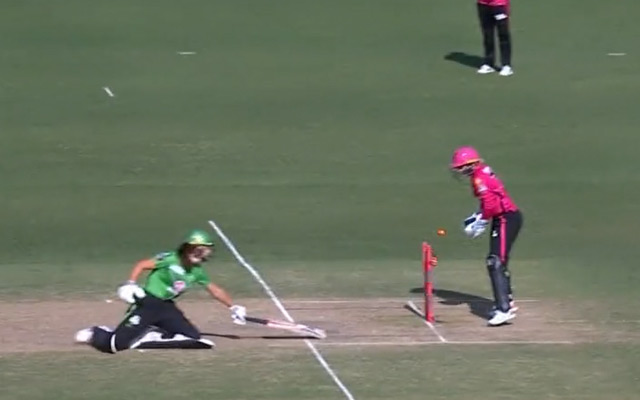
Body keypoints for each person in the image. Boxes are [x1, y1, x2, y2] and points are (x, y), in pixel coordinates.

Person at [74, 229, 247, 352]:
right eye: (196, 249)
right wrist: (130, 283)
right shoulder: (170, 259)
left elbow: (214, 289)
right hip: (148, 303)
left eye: (203, 250)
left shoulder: (196, 271)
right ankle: (96, 332)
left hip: (166, 307)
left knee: (193, 337)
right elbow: (142, 265)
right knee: (115, 345)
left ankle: (148, 333)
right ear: (187, 248)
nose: (199, 254)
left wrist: (233, 307)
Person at [450, 146, 523, 326]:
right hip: (504, 217)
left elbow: (492, 205)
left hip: (506, 217)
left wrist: (481, 220)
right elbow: (490, 201)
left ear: (470, 165)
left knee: (495, 261)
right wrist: (478, 216)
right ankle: (507, 302)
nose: (459, 170)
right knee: (499, 260)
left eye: (461, 167)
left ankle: (503, 309)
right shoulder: (482, 172)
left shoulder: (479, 178)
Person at [476, 0, 514, 76]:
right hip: (483, 4)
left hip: (499, 5)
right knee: (487, 34)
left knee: (503, 34)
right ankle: (489, 63)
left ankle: (506, 65)